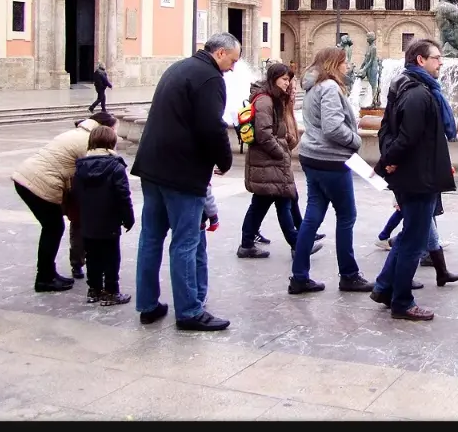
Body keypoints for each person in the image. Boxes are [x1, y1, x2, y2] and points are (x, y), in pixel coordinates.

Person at [132, 32, 237, 332]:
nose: (231, 68)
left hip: (152, 167)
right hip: (182, 172)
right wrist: (225, 160)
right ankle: (190, 311)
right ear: (220, 54)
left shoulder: (178, 68)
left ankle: (148, 305)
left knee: (151, 238)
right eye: (232, 60)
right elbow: (211, 126)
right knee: (185, 242)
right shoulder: (210, 77)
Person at [371, 39, 458, 321]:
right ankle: (402, 302)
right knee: (414, 241)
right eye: (436, 58)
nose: (441, 62)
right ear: (421, 60)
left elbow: (385, 130)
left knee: (408, 236)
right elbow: (406, 137)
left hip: (412, 175)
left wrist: (389, 160)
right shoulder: (420, 94)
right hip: (419, 178)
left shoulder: (403, 87)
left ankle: (385, 287)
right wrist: (387, 162)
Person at [289, 47, 374, 296]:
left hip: (312, 157)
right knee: (346, 216)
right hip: (331, 160)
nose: (347, 67)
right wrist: (355, 141)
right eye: (344, 62)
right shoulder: (328, 87)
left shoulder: (313, 86)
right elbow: (333, 127)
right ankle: (349, 275)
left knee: (312, 216)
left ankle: (299, 276)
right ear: (333, 64)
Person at [11, 113, 118, 292]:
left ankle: (48, 273)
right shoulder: (87, 142)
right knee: (53, 228)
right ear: (104, 128)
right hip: (39, 183)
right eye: (114, 129)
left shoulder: (77, 133)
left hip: (25, 176)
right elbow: (101, 167)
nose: (115, 133)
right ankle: (44, 278)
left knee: (52, 227)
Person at [239, 63, 322, 259]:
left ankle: (247, 244)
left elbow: (276, 130)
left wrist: (288, 140)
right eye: (284, 79)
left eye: (289, 79)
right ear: (274, 78)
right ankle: (297, 244)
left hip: (268, 161)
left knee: (261, 204)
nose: (288, 83)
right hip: (268, 161)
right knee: (283, 201)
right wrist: (281, 152)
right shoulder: (265, 101)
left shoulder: (274, 99)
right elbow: (264, 134)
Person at [71, 125, 135, 306]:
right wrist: (128, 218)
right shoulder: (116, 166)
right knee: (111, 256)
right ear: (111, 143)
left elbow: (76, 193)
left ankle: (94, 289)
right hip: (109, 221)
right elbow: (123, 195)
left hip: (88, 220)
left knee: (92, 255)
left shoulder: (80, 166)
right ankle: (111, 291)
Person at [198, 183, 219, 309]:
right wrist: (213, 215)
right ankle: (199, 296)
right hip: (195, 214)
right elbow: (205, 186)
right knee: (197, 257)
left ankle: (147, 303)